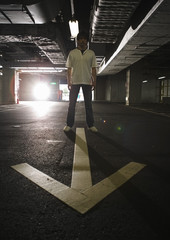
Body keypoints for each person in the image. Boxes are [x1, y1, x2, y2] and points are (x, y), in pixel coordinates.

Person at [63, 31, 98, 132]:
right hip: (75, 82)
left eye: (84, 39)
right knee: (72, 104)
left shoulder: (91, 53)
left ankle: (91, 125)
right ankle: (69, 124)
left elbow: (94, 69)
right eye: (80, 39)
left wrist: (94, 81)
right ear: (77, 41)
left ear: (87, 41)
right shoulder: (72, 53)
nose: (82, 41)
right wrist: (69, 82)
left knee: (88, 105)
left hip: (87, 82)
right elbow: (69, 69)